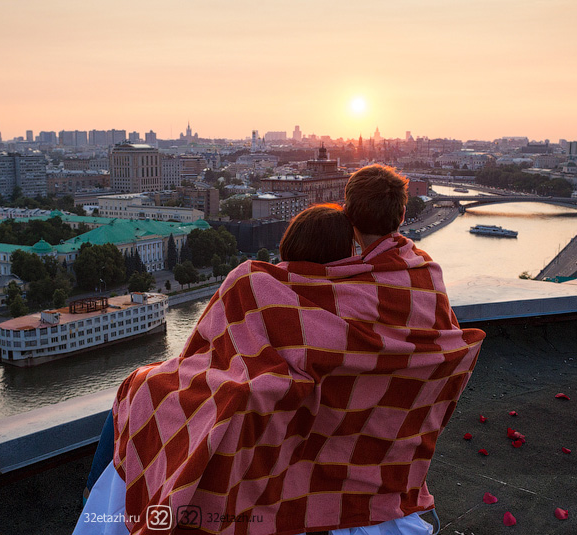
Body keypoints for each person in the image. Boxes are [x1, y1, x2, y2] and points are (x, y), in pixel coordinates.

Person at [75, 165, 485, 535]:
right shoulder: (423, 276)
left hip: (304, 429)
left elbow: (210, 349)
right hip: (382, 441)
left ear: (349, 211)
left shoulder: (268, 284)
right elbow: (432, 346)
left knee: (139, 386)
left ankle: (91, 497)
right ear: (402, 213)